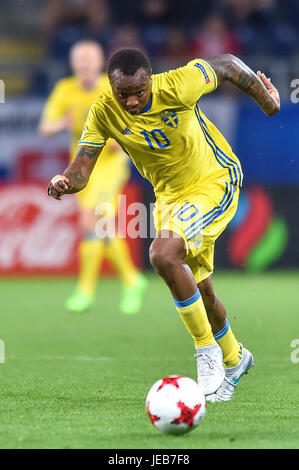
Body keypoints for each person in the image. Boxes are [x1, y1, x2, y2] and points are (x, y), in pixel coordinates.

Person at [47, 48, 280, 401]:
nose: (133, 100)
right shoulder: (103, 112)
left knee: (162, 254)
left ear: (150, 78)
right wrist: (65, 182)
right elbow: (82, 168)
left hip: (213, 180)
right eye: (123, 94)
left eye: (140, 91)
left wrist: (269, 103)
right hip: (170, 199)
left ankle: (207, 351)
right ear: (111, 87)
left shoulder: (179, 84)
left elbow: (229, 66)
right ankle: (235, 357)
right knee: (201, 289)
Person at [40, 42, 147, 314]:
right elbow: (46, 127)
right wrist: (63, 123)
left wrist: (120, 140)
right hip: (82, 166)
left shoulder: (110, 88)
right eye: (81, 62)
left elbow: (133, 122)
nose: (86, 67)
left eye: (90, 62)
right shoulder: (65, 89)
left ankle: (85, 290)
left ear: (100, 64)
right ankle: (132, 280)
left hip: (110, 165)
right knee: (101, 227)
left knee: (90, 220)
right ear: (74, 64)